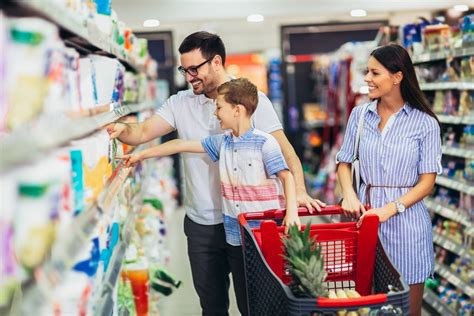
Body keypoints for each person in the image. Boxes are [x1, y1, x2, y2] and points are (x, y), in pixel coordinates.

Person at [107, 31, 324, 316]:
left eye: (194, 69)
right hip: (202, 224)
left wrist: (298, 192)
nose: (189, 76)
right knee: (212, 307)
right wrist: (123, 129)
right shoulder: (180, 103)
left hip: (248, 223)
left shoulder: (251, 101)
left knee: (254, 305)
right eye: (184, 70)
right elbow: (144, 132)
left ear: (217, 62)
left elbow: (285, 151)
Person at [336, 43, 441, 316]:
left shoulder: (425, 124)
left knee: (408, 308)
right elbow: (344, 162)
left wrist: (389, 209)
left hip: (407, 224)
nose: (367, 79)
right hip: (365, 219)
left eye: (375, 73)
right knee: (369, 305)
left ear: (397, 76)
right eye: (367, 72)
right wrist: (349, 194)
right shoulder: (360, 116)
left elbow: (427, 183)